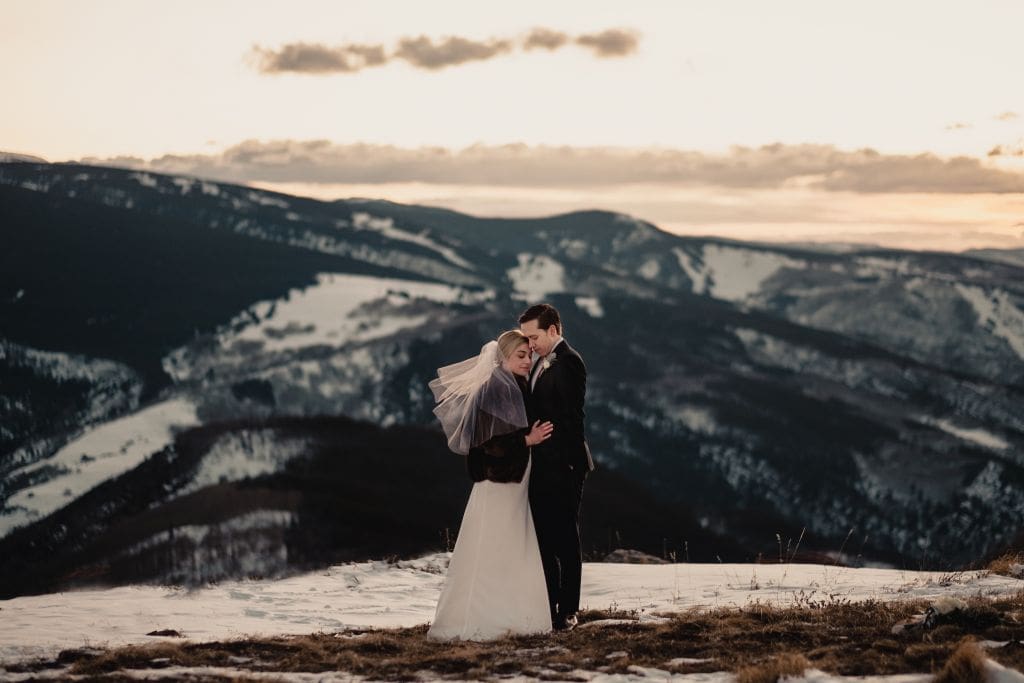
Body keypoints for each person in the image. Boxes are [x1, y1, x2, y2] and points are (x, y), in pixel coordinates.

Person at [427, 330, 555, 641]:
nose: (528, 361)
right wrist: (527, 439)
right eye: (520, 356)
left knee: (511, 542)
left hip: (513, 478)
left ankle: (512, 615)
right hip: (498, 479)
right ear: (503, 358)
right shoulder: (494, 389)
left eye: (529, 355)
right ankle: (483, 618)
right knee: (494, 544)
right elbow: (486, 444)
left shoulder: (513, 386)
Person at [519, 303, 594, 631]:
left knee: (565, 538)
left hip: (563, 465)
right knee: (544, 539)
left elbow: (571, 419)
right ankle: (548, 605)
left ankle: (568, 610)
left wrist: (566, 465)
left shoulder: (569, 362)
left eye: (534, 336)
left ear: (553, 330)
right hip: (541, 464)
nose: (529, 344)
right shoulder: (538, 362)